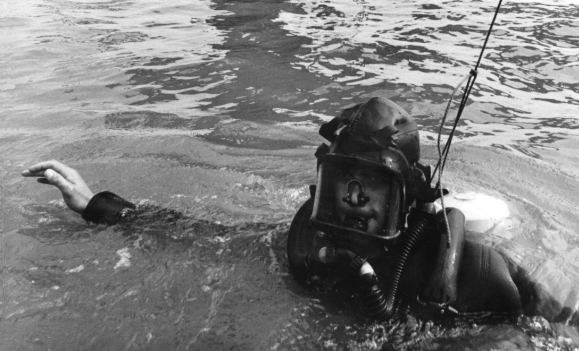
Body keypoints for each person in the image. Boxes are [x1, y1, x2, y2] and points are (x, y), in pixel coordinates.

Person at [21, 97, 551, 324]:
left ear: (409, 197)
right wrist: (98, 206)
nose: (351, 208)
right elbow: (208, 237)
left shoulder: (474, 274)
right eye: (339, 185)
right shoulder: (306, 245)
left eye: (370, 192)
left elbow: (550, 326)